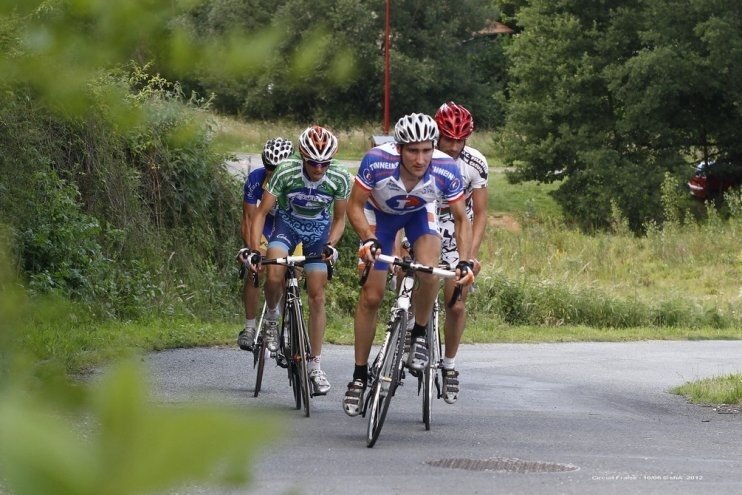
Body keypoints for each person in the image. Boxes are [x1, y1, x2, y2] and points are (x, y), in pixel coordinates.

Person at [342, 113, 475, 416]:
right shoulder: (376, 161)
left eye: (426, 150)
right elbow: (354, 205)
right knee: (372, 297)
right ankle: (359, 378)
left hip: (418, 215)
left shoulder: (445, 168)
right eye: (413, 150)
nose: (420, 158)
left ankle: (419, 334)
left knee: (429, 269)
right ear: (399, 149)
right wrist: (367, 238)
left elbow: (460, 218)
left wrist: (465, 260)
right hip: (379, 217)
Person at [246, 125, 351, 396]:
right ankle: (271, 315)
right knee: (274, 272)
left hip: (318, 232)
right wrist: (253, 249)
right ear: (302, 158)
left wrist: (330, 245)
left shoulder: (339, 176)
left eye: (324, 163)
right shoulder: (286, 170)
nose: (318, 168)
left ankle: (315, 365)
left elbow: (340, 219)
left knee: (317, 295)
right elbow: (260, 214)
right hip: (287, 226)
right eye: (313, 163)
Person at [433, 101, 489, 404]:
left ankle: (450, 366)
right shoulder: (421, 155)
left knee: (456, 303)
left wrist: (469, 256)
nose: (454, 146)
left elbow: (479, 214)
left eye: (460, 139)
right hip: (426, 223)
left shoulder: (475, 162)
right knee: (411, 274)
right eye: (448, 139)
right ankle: (411, 329)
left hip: (458, 229)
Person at [237, 137, 295, 352]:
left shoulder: (297, 181)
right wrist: (254, 251)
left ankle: (288, 326)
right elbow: (249, 220)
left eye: (279, 169)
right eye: (270, 168)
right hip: (264, 225)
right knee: (256, 270)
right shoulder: (255, 179)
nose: (273, 174)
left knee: (289, 271)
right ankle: (250, 327)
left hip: (289, 226)